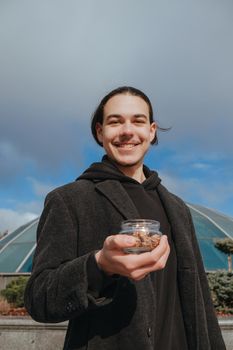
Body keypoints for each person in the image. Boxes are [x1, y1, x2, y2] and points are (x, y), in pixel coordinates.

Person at [24, 86, 226, 350]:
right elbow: (39, 298)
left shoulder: (177, 208)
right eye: (115, 121)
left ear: (151, 131)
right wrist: (99, 266)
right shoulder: (69, 200)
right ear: (100, 132)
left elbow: (200, 300)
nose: (127, 131)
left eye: (138, 121)